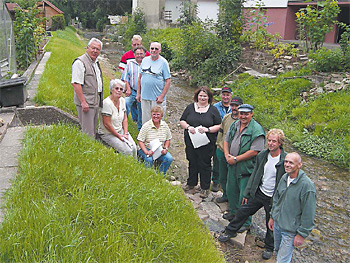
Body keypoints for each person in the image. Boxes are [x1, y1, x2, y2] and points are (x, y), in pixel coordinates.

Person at [218, 129, 287, 261]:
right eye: (269, 140)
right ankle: (230, 231)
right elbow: (255, 174)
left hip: (273, 197)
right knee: (243, 210)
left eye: (274, 141)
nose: (271, 143)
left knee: (270, 222)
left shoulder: (285, 160)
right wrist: (247, 192)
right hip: (260, 192)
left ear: (280, 143)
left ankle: (269, 247)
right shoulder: (262, 155)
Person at [268, 152, 316, 263]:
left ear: (299, 165)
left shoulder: (307, 186)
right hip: (277, 224)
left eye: (291, 162)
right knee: (277, 251)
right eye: (286, 161)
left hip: (290, 230)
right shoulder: (284, 177)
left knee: (282, 260)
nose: (287, 165)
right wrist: (272, 216)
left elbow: (308, 213)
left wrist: (301, 234)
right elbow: (277, 199)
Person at [223, 104, 265, 226]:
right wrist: (227, 155)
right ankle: (233, 212)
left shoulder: (257, 130)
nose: (243, 116)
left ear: (251, 114)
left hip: (246, 168)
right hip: (232, 165)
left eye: (246, 114)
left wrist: (236, 159)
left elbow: (255, 151)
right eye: (242, 113)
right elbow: (226, 140)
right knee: (231, 190)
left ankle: (245, 222)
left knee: (244, 197)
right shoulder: (234, 125)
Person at [180, 86, 221, 198]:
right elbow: (182, 120)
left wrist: (207, 129)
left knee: (205, 164)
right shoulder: (190, 107)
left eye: (205, 96)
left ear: (209, 97)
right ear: (197, 96)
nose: (202, 98)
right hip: (191, 142)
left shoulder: (213, 110)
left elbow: (218, 125)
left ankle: (205, 187)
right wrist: (188, 127)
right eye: (200, 95)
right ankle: (191, 184)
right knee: (192, 162)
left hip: (206, 143)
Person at [71, 38, 103, 138]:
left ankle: (91, 149)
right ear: (87, 48)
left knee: (93, 129)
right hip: (86, 103)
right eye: (93, 48)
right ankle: (87, 151)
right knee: (87, 133)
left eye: (97, 49)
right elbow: (76, 84)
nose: (95, 51)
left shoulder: (95, 62)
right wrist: (83, 102)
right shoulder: (80, 62)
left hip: (94, 101)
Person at [99, 79, 137, 158]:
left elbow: (125, 118)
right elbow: (107, 124)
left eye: (121, 89)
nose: (119, 91)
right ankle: (127, 166)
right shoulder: (106, 103)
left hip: (121, 130)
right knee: (128, 151)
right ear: (111, 90)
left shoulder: (122, 101)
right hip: (108, 133)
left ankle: (135, 166)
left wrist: (125, 133)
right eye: (116, 88)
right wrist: (119, 136)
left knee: (134, 148)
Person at [215, 96, 243, 203]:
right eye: (232, 105)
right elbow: (221, 133)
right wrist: (218, 146)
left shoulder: (243, 120)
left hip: (235, 155)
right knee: (223, 176)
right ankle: (225, 195)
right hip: (222, 151)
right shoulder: (226, 117)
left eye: (237, 106)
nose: (234, 108)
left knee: (234, 179)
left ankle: (234, 199)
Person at [136, 42, 171, 124]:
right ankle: (146, 136)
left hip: (157, 99)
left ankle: (158, 136)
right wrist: (138, 93)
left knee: (158, 121)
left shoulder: (163, 62)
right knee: (145, 121)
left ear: (160, 50)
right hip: (144, 97)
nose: (154, 50)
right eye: (152, 48)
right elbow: (140, 78)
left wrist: (162, 96)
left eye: (156, 49)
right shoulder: (144, 60)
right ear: (149, 49)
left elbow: (168, 80)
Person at [137, 105, 173, 175]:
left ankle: (160, 175)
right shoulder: (146, 126)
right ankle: (148, 175)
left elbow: (168, 139)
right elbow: (140, 141)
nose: (156, 116)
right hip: (146, 148)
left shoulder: (164, 125)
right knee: (149, 159)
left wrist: (165, 148)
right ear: (151, 115)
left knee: (169, 158)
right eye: (154, 114)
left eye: (158, 114)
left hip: (159, 149)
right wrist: (146, 152)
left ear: (161, 116)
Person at [211, 86, 233, 192]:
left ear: (230, 96)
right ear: (221, 95)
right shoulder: (215, 107)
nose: (225, 97)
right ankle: (215, 181)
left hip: (232, 140)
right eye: (224, 94)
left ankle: (226, 182)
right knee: (217, 160)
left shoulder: (235, 107)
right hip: (218, 137)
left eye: (227, 95)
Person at [121, 46, 147, 130]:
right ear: (134, 55)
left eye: (141, 54)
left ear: (145, 54)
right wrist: (128, 88)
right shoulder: (129, 64)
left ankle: (140, 128)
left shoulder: (147, 64)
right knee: (125, 104)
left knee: (141, 110)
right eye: (137, 54)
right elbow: (125, 78)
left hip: (143, 92)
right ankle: (122, 124)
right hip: (132, 90)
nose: (139, 55)